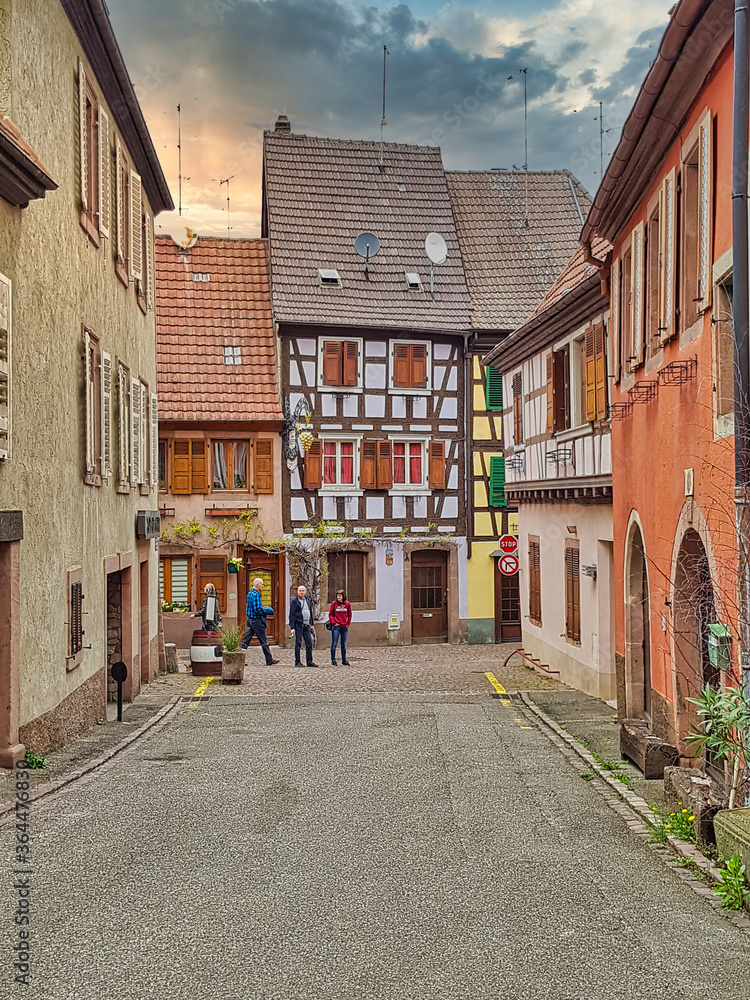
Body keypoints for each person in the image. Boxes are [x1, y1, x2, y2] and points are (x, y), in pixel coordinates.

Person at [240, 577, 279, 666]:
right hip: (256, 620)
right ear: (257, 585)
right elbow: (257, 609)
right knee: (264, 640)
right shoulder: (256, 595)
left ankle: (239, 659)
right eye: (261, 584)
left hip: (250, 619)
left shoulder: (250, 593)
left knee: (246, 641)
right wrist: (266, 611)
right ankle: (269, 659)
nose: (263, 585)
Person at [288, 584, 318, 668]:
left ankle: (309, 661)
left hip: (307, 625)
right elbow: (291, 615)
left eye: (303, 591)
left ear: (305, 592)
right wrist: (292, 627)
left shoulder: (307, 600)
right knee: (298, 643)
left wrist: (312, 624)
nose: (301, 592)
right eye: (300, 590)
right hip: (298, 625)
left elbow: (310, 612)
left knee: (309, 643)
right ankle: (297, 662)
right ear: (297, 592)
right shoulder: (294, 601)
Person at [328, 589, 352, 666]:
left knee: (343, 644)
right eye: (337, 595)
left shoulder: (347, 604)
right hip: (336, 627)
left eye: (340, 595)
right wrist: (334, 622)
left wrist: (348, 623)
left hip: (344, 626)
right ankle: (333, 659)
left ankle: (344, 659)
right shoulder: (334, 604)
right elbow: (330, 614)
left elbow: (349, 614)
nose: (338, 597)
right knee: (334, 643)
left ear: (343, 596)